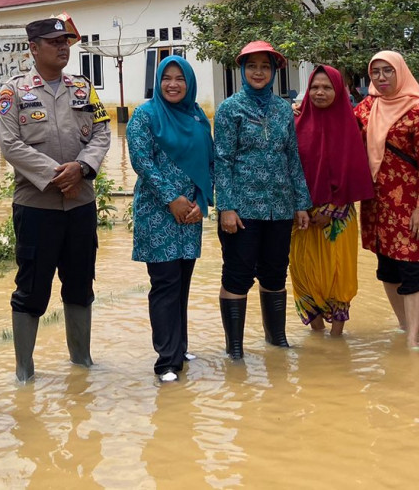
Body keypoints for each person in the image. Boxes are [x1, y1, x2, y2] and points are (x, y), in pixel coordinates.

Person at [0, 14, 111, 382]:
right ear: (33, 48)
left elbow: (102, 132)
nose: (63, 47)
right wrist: (57, 176)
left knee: (80, 285)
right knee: (32, 288)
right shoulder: (12, 92)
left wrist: (82, 168)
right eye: (54, 42)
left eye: (66, 42)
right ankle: (24, 373)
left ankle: (82, 364)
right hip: (36, 207)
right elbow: (10, 144)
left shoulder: (83, 88)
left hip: (80, 204)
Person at [213, 41, 310, 359]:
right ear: (242, 70)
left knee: (275, 273)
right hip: (242, 211)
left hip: (279, 208)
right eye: (252, 66)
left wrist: (301, 202)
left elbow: (292, 157)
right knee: (237, 276)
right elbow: (223, 160)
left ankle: (276, 339)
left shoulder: (284, 109)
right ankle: (235, 348)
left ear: (273, 71)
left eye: (265, 66)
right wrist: (226, 206)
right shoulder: (230, 109)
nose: (258, 72)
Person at [127, 55, 213, 382]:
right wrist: (172, 199)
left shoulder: (196, 116)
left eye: (180, 78)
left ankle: (180, 345)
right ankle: (166, 361)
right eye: (167, 78)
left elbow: (209, 162)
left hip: (190, 214)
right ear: (158, 81)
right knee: (164, 285)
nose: (173, 84)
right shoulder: (145, 116)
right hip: (157, 214)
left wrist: (198, 201)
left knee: (183, 284)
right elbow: (142, 163)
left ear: (189, 83)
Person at [355, 50, 419, 348]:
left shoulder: (417, 109)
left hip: (408, 202)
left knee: (411, 267)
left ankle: (414, 339)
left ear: (400, 72)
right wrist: (303, 112)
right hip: (376, 202)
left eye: (387, 70)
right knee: (386, 266)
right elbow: (341, 134)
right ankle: (404, 326)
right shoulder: (366, 107)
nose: (381, 77)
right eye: (375, 71)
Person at [289, 65, 374, 337]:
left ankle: (337, 338)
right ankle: (316, 338)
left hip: (339, 215)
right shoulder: (295, 124)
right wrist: (300, 207)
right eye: (314, 87)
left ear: (339, 91)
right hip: (301, 216)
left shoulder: (352, 126)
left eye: (327, 87)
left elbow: (355, 172)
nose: (320, 92)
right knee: (304, 274)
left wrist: (332, 209)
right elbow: (288, 168)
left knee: (338, 273)